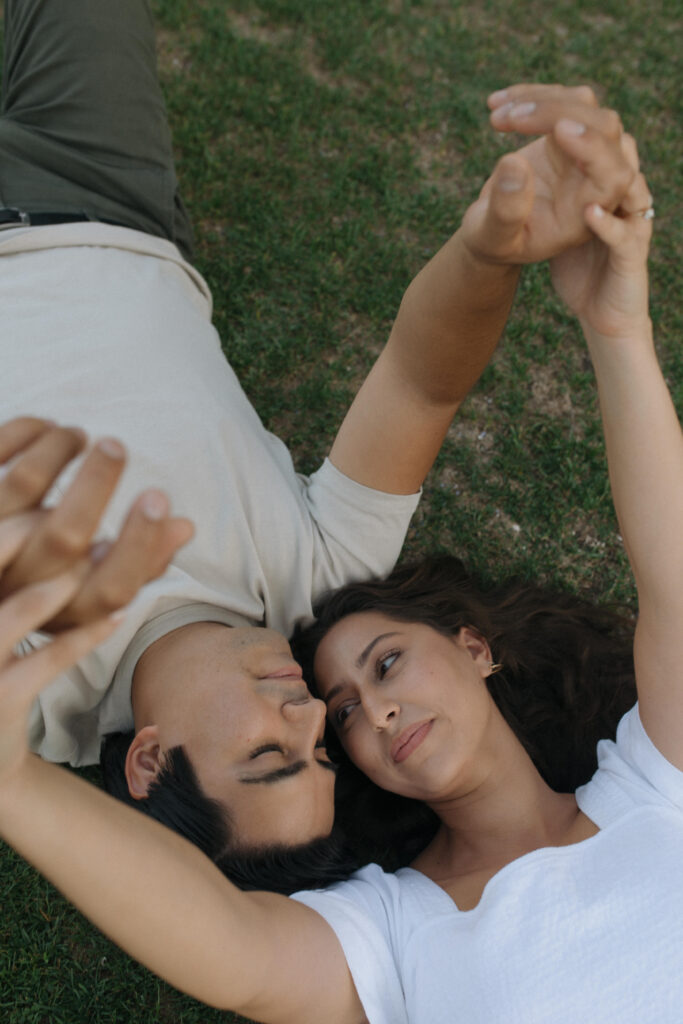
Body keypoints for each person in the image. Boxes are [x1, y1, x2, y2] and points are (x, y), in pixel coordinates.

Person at [1, 95, 679, 1024]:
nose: (325, 708)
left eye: (293, 744)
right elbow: (671, 582)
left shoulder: (384, 941)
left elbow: (233, 951)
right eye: (342, 715)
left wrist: (14, 787)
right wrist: (614, 325)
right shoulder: (659, 792)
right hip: (103, 204)